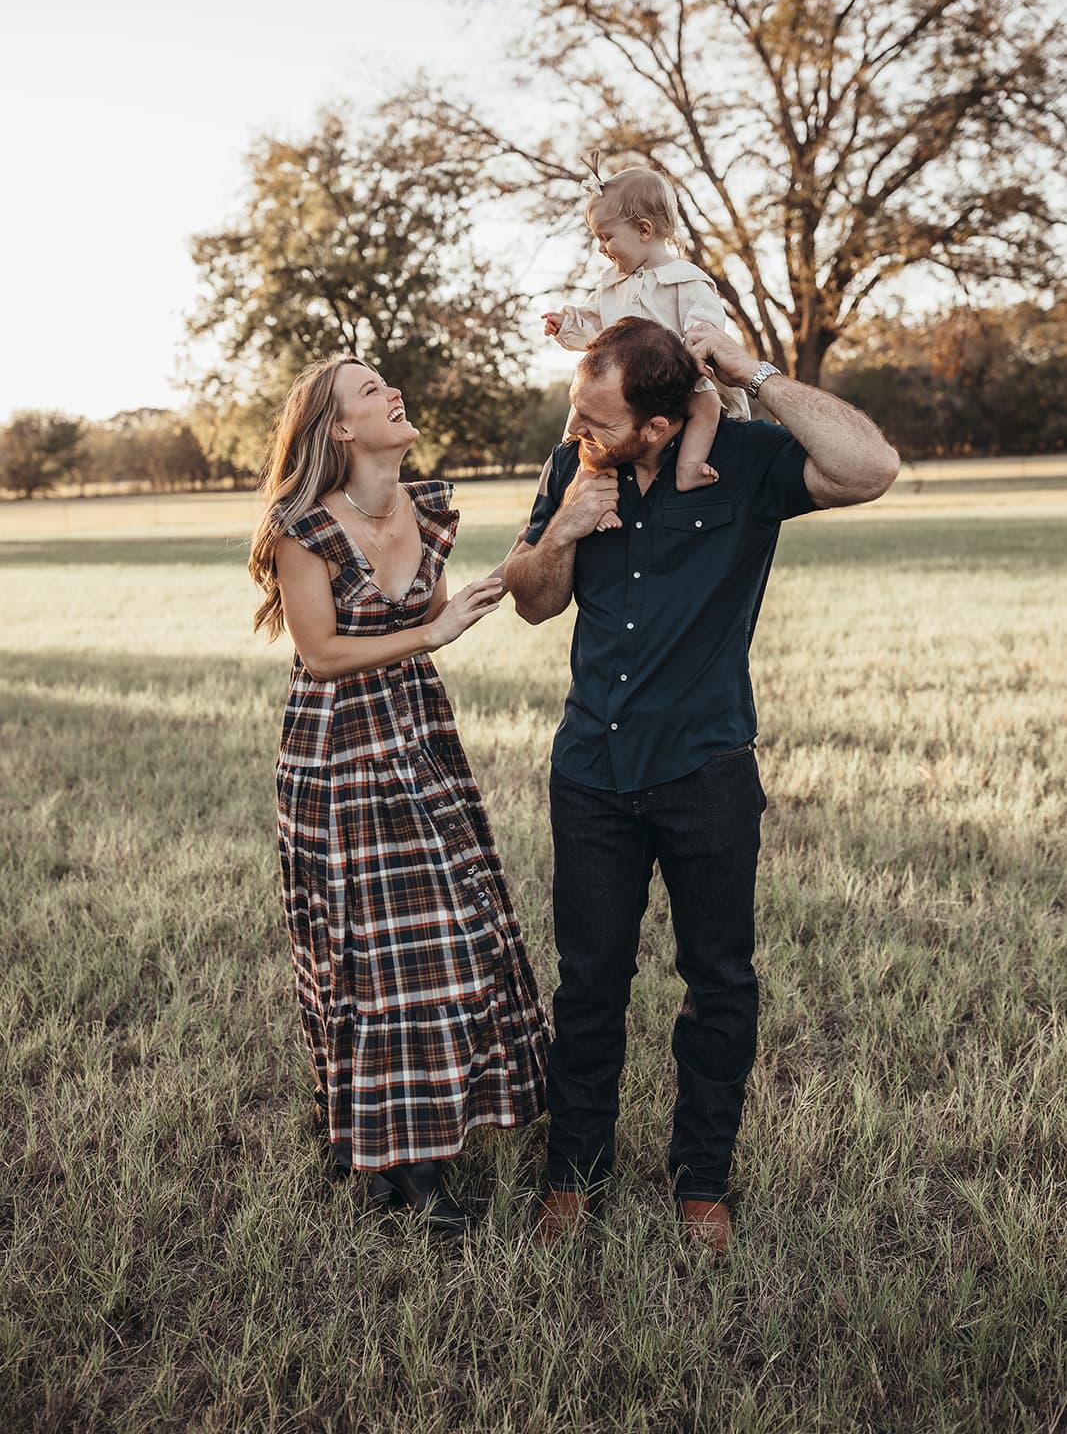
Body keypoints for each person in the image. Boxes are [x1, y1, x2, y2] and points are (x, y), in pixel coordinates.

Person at [504, 317, 900, 1252]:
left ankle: (702, 1183)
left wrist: (752, 373)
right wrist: (561, 529)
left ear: (659, 424)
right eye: (576, 409)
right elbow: (532, 601)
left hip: (706, 771)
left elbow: (870, 468)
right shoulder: (571, 467)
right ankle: (573, 1176)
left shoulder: (747, 463)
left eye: (597, 418)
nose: (576, 428)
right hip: (590, 774)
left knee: (718, 983)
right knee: (588, 984)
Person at [248, 354, 549, 1235]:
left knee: (450, 927)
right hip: (337, 748)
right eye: (369, 389)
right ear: (340, 428)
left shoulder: (426, 508)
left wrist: (553, 530)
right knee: (363, 946)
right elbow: (321, 655)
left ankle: (391, 1141)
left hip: (418, 733)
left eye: (386, 381)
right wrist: (432, 632)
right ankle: (399, 1166)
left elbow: (430, 621)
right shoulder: (304, 527)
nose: (392, 392)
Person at [541, 154, 748, 506]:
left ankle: (688, 467)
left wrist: (695, 354)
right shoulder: (611, 286)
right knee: (583, 420)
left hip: (675, 378)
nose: (601, 248)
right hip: (618, 388)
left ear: (643, 230)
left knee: (707, 403)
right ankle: (579, 489)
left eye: (606, 237)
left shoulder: (685, 280)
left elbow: (704, 325)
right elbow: (594, 325)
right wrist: (568, 325)